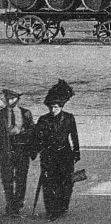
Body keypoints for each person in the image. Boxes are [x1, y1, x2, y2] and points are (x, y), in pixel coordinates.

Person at [32, 80, 79, 221]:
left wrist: (77, 152)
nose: (53, 110)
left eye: (56, 107)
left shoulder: (69, 118)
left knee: (66, 183)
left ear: (61, 106)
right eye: (51, 107)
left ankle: (63, 207)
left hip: (65, 154)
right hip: (48, 155)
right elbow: (36, 138)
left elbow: (74, 136)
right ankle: (52, 210)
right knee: (48, 183)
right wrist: (35, 151)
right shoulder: (43, 120)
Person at [1, 89, 34, 217]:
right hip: (6, 150)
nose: (9, 101)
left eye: (12, 98)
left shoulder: (26, 113)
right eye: (7, 98)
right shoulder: (1, 114)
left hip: (22, 150)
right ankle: (10, 205)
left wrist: (32, 150)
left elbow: (33, 131)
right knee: (7, 179)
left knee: (21, 179)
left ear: (17, 99)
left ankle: (17, 205)